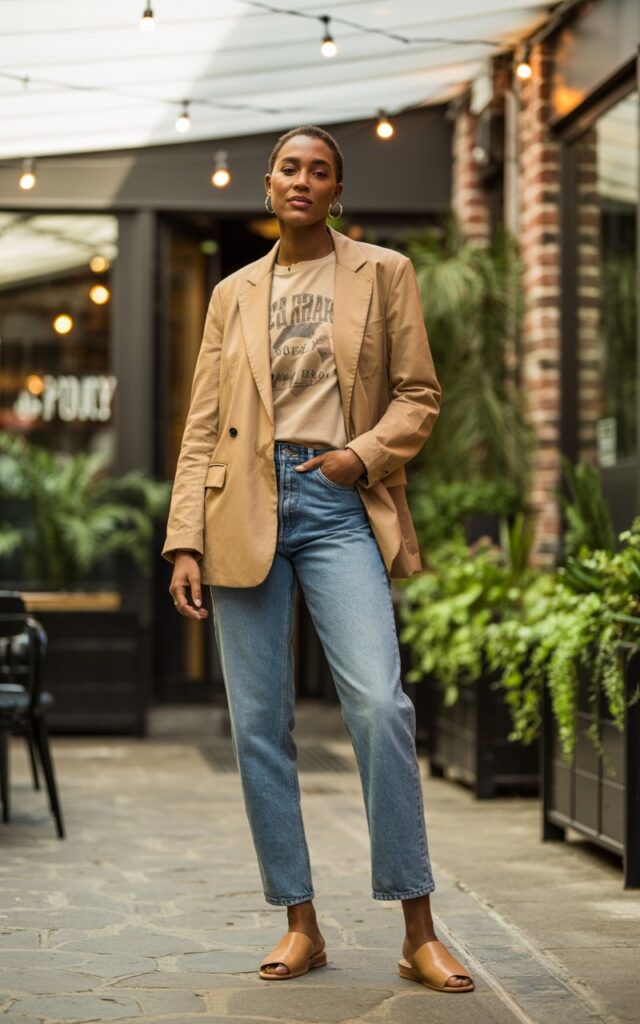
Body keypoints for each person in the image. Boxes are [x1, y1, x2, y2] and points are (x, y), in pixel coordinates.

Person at [162, 125, 474, 994]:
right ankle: (299, 921)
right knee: (259, 726)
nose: (303, 180)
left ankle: (418, 928)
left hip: (337, 500)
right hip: (242, 504)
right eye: (290, 167)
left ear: (338, 191)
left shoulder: (383, 272)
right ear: (269, 185)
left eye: (321, 170)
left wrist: (361, 455)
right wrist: (183, 535)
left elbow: (420, 394)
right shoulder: (230, 293)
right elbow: (199, 424)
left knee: (379, 704)